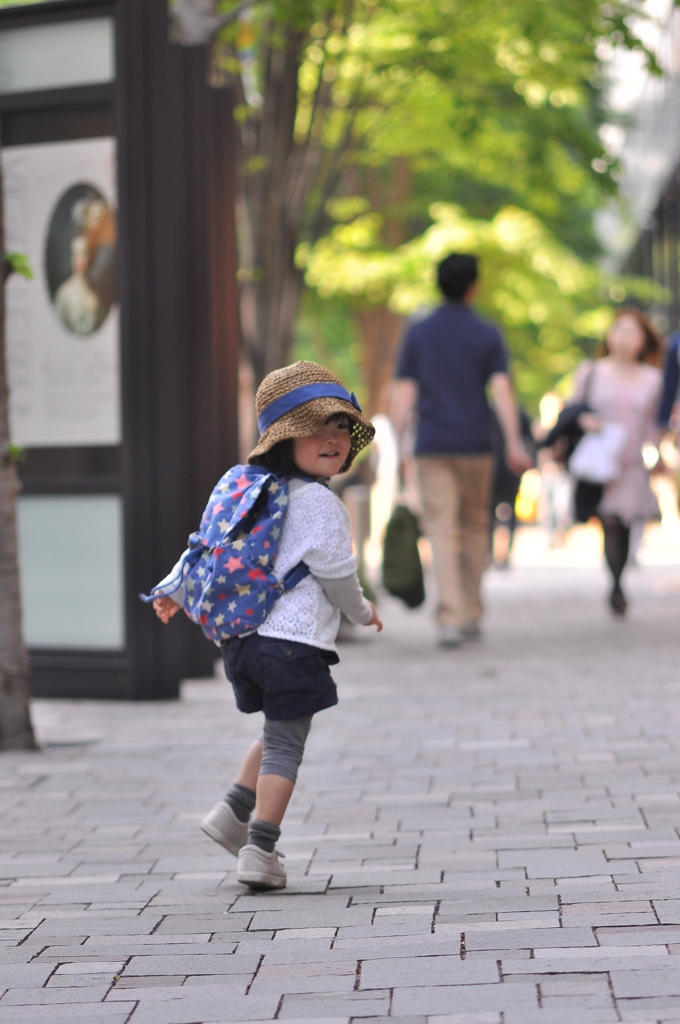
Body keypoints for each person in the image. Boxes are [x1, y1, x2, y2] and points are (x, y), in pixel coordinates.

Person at [152, 361, 382, 890]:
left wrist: (174, 589)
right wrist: (363, 612)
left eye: (342, 428)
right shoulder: (320, 503)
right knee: (286, 746)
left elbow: (206, 543)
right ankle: (260, 849)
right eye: (316, 428)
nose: (333, 439)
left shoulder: (245, 489)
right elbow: (337, 573)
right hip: (293, 644)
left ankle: (232, 812)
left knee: (279, 727)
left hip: (242, 644)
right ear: (285, 439)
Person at [391, 253, 531, 647]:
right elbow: (502, 389)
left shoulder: (419, 332)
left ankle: (450, 616)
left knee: (440, 525)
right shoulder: (486, 332)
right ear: (474, 285)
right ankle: (471, 610)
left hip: (432, 444)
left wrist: (393, 444)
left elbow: (404, 391)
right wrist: (515, 444)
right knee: (474, 523)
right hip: (476, 444)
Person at [570, 309, 663, 615]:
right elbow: (573, 410)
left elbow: (654, 423)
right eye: (618, 330)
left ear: (644, 340)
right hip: (601, 459)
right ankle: (616, 583)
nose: (623, 338)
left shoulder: (653, 379)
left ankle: (619, 575)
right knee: (609, 519)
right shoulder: (591, 372)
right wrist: (586, 421)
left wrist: (658, 454)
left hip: (633, 461)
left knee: (626, 521)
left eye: (631, 332)